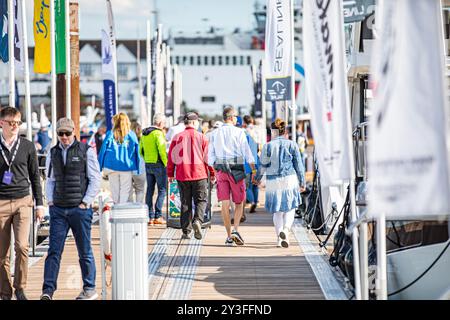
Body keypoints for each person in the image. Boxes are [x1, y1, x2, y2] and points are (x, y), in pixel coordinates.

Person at [40, 117, 102, 300]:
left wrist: (86, 202)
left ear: (74, 131)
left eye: (67, 133)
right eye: (61, 133)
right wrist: (50, 201)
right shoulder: (53, 152)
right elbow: (50, 179)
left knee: (85, 251)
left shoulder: (86, 151)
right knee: (53, 251)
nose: (65, 137)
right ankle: (47, 291)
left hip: (79, 209)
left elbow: (95, 178)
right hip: (58, 209)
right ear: (57, 134)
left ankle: (89, 288)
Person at [0, 107, 44, 300]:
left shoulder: (26, 145)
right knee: (2, 254)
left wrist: (40, 204)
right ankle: (5, 291)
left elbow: (35, 175)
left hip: (23, 201)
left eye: (18, 123)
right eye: (11, 123)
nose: (15, 126)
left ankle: (20, 288)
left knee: (22, 246)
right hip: (0, 202)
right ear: (1, 123)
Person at [208, 106, 256, 246]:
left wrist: (214, 169)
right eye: (236, 116)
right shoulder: (239, 132)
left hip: (221, 168)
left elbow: (210, 156)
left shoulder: (214, 133)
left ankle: (229, 236)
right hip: (236, 168)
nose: (237, 119)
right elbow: (247, 153)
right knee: (239, 201)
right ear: (231, 117)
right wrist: (253, 170)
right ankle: (235, 229)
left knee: (224, 203)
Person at [255, 119, 306, 248]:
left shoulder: (268, 146)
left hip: (273, 180)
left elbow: (262, 165)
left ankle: (279, 239)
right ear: (285, 131)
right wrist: (302, 182)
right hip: (290, 179)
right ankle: (286, 231)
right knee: (290, 208)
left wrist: (257, 178)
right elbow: (299, 165)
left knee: (277, 211)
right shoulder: (292, 145)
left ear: (273, 131)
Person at [167, 112, 215, 240]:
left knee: (185, 202)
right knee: (201, 200)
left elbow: (171, 157)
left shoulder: (177, 137)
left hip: (182, 175)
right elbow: (208, 159)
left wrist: (170, 173)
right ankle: (198, 221)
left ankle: (186, 231)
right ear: (193, 123)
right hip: (200, 175)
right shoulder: (202, 137)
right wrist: (212, 173)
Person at [98, 113, 140, 204]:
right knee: (125, 190)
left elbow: (103, 149)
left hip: (111, 165)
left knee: (115, 191)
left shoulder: (110, 134)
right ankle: (121, 209)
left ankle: (117, 208)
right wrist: (138, 167)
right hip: (126, 166)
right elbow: (137, 151)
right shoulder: (131, 135)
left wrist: (99, 166)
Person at [140, 113, 167, 225]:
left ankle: (150, 217)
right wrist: (166, 163)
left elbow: (140, 150)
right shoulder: (158, 134)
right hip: (159, 164)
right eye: (164, 123)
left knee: (150, 191)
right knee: (162, 190)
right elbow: (161, 150)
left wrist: (146, 158)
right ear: (160, 123)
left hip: (148, 163)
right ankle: (158, 216)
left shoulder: (144, 134)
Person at [242, 115, 260, 214]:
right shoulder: (257, 130)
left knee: (247, 186)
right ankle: (255, 201)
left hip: (247, 162)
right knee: (255, 185)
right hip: (257, 159)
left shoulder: (244, 132)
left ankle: (252, 201)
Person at [128, 121, 146, 203]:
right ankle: (138, 208)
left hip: (128, 169)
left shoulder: (127, 140)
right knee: (140, 191)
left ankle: (130, 210)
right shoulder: (143, 140)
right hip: (140, 169)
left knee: (129, 191)